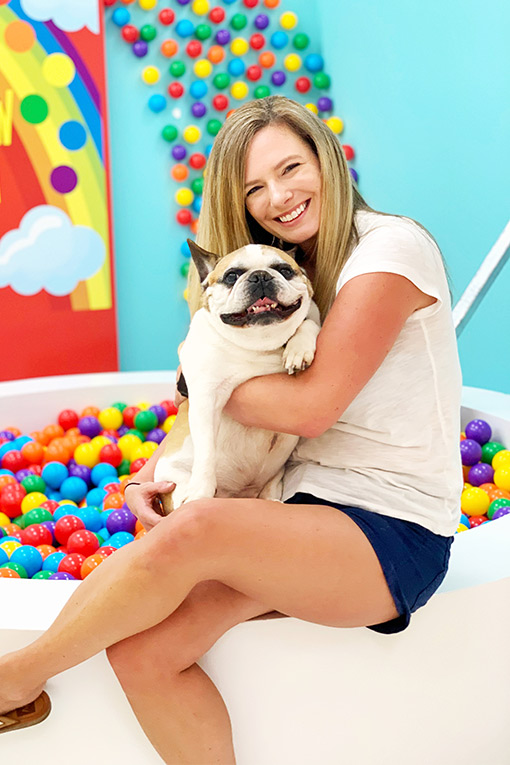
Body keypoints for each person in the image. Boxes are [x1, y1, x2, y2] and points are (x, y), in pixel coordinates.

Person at [0, 95, 462, 763]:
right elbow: (216, 385)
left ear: (327, 158)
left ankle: (17, 676)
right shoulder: (285, 270)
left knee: (196, 524)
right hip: (297, 508)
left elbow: (309, 408)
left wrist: (203, 382)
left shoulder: (387, 249)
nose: (278, 195)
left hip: (389, 529)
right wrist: (155, 466)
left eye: (291, 167)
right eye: (254, 188)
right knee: (145, 651)